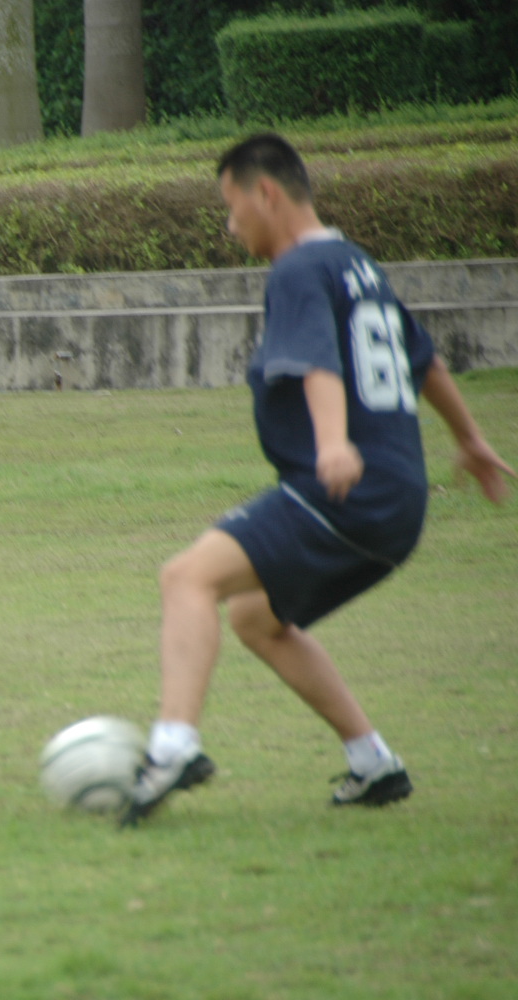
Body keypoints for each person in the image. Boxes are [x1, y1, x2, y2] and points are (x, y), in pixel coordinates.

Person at [123, 134, 514, 826]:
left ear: (266, 193)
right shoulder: (355, 263)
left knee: (187, 578)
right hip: (399, 504)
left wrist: (333, 444)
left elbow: (317, 362)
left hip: (347, 491)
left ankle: (172, 748)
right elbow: (423, 360)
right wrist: (470, 438)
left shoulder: (298, 268)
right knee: (256, 617)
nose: (230, 224)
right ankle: (374, 763)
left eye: (231, 205)